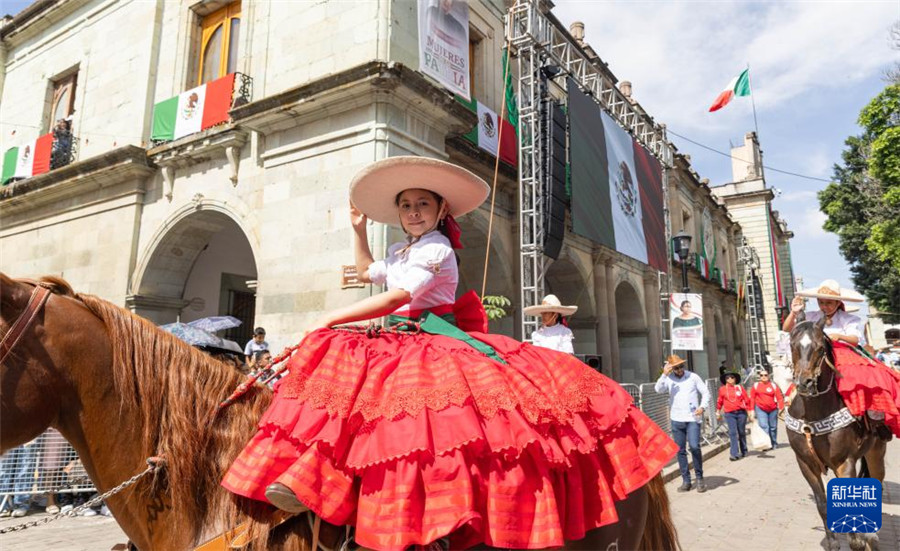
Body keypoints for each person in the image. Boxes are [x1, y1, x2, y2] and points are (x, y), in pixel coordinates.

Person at [221, 157, 678, 551]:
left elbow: (397, 297)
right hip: (399, 338)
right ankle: (316, 481)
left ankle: (442, 519)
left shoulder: (437, 247)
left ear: (441, 209)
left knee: (430, 428)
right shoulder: (404, 247)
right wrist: (358, 230)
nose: (414, 211)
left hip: (431, 337)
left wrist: (330, 319)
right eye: (406, 205)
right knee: (356, 404)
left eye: (422, 203)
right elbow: (368, 271)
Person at [782, 279, 900, 441]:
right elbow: (787, 328)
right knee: (801, 372)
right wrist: (794, 312)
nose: (825, 306)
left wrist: (839, 336)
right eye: (821, 302)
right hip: (817, 353)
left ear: (838, 303)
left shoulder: (847, 318)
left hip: (842, 352)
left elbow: (854, 339)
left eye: (829, 303)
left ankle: (875, 418)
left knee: (868, 376)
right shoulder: (811, 316)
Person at [654, 354, 709, 493]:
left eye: (681, 366)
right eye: (676, 367)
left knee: (695, 446)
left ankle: (700, 477)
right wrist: (664, 375)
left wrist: (702, 407)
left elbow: (705, 392)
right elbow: (658, 390)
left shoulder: (693, 377)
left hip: (692, 418)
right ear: (671, 368)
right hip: (677, 418)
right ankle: (686, 480)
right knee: (680, 450)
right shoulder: (668, 379)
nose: (679, 369)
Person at [716, 368, 751, 461]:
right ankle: (734, 453)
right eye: (728, 378)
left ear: (735, 379)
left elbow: (747, 400)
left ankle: (744, 450)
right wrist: (718, 411)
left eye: (732, 377)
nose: (730, 379)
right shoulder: (722, 389)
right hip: (729, 414)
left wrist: (750, 412)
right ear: (725, 380)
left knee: (741, 432)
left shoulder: (740, 388)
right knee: (732, 433)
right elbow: (719, 401)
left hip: (741, 413)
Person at [0, 442, 37, 517]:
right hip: (6, 434)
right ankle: (3, 504)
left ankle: (21, 504)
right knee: (3, 469)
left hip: (27, 433)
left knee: (25, 469)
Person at [750, 370, 784, 450]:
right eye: (761, 375)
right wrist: (751, 410)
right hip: (760, 409)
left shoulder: (773, 385)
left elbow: (779, 397)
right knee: (764, 426)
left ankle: (774, 442)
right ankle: (766, 444)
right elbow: (752, 398)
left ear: (768, 376)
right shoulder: (756, 386)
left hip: (773, 409)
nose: (763, 377)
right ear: (759, 376)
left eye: (765, 375)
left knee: (773, 427)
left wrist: (781, 408)